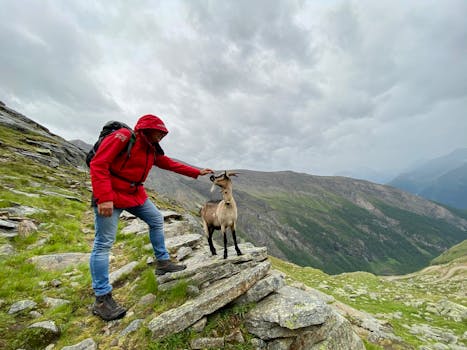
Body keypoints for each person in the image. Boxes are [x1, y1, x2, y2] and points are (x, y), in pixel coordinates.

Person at [89, 114, 213, 321]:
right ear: (146, 130)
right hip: (111, 194)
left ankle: (163, 263)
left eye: (163, 134)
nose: (161, 137)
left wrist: (197, 171)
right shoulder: (122, 137)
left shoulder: (150, 149)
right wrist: (103, 198)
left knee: (156, 219)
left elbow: (170, 164)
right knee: (103, 244)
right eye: (158, 133)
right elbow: (98, 164)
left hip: (134, 194)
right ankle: (102, 298)